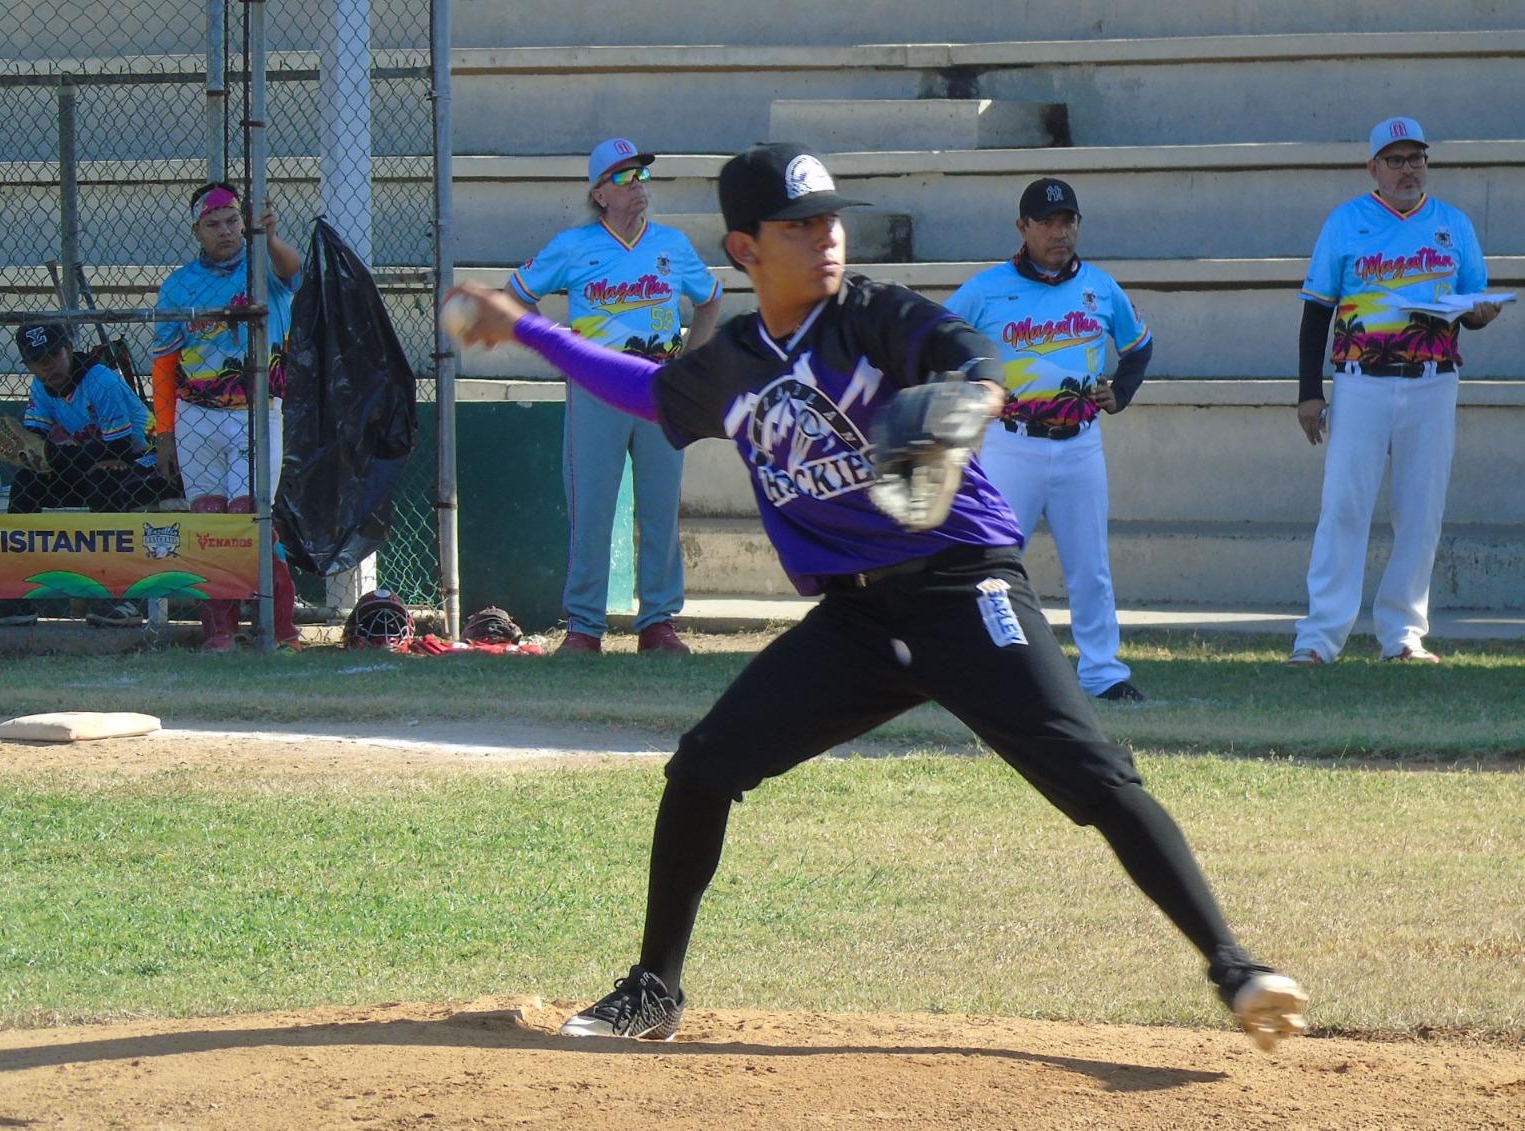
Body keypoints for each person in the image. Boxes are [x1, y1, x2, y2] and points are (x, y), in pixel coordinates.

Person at [448, 142, 1307, 1051]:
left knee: (1094, 776)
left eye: (830, 217)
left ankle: (1236, 967)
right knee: (702, 767)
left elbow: (967, 347)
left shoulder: (872, 316)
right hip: (859, 620)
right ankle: (655, 988)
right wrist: (529, 330)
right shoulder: (737, 358)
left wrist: (974, 391)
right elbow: (653, 389)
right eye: (799, 223)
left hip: (964, 586)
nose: (826, 236)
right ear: (745, 250)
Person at [1288, 117, 1505, 666]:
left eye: (1416, 158)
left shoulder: (1452, 224)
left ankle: (1404, 634)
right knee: (1344, 507)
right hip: (1361, 381)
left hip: (1433, 382)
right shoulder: (1347, 222)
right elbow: (1317, 311)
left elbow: (1472, 305)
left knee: (1421, 509)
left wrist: (1480, 314)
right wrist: (1309, 392)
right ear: (1374, 168)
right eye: (1395, 159)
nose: (1407, 169)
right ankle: (1318, 638)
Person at [507, 137, 723, 656]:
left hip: (658, 385)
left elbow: (710, 300)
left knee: (659, 509)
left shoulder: (671, 244)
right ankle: (584, 626)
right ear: (600, 193)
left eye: (641, 176)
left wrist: (691, 367)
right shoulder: (574, 246)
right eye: (624, 178)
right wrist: (561, 351)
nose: (637, 186)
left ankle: (658, 623)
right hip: (598, 386)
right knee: (593, 509)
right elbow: (517, 295)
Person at [944, 178, 1151, 702]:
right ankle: (983, 666)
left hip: (1080, 442)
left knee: (1090, 565)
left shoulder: (1101, 287)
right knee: (991, 560)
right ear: (1023, 227)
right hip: (1010, 442)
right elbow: (938, 336)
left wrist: (1121, 392)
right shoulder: (986, 289)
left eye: (1069, 221)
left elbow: (1138, 346)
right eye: (1048, 222)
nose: (1061, 232)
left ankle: (1103, 673)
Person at [151, 181, 302, 652]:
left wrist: (270, 235)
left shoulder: (264, 269)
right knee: (209, 519)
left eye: (233, 221)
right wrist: (164, 432)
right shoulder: (178, 286)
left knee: (249, 515)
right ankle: (219, 631)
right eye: (213, 224)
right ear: (197, 230)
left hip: (257, 412)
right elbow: (164, 364)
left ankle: (279, 628)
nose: (225, 232)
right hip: (196, 413)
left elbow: (295, 272)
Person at [0, 321, 173, 627]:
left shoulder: (100, 379)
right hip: (94, 466)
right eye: (37, 361)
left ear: (68, 349)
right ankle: (14, 596)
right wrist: (29, 455)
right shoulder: (41, 386)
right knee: (27, 484)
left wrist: (52, 455)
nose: (47, 367)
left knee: (104, 481)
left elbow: (119, 447)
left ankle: (114, 596)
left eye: (52, 355)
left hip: (146, 462)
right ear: (28, 364)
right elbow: (35, 437)